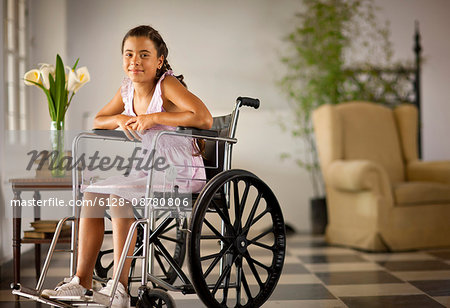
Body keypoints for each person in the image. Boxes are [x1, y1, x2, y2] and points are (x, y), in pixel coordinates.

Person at [42, 25, 213, 308]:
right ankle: (81, 281)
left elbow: (204, 118)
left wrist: (154, 117)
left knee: (118, 195)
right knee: (93, 193)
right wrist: (121, 119)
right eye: (129, 54)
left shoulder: (166, 85)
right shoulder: (127, 89)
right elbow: (99, 119)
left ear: (159, 61)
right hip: (148, 171)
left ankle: (119, 289)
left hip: (180, 172)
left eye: (144, 55)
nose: (135, 61)